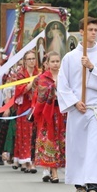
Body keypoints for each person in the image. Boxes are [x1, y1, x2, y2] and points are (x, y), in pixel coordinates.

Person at [57, 16, 97, 192]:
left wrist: (91, 68)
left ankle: (92, 188)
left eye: (95, 30)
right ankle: (79, 187)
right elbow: (62, 84)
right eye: (89, 29)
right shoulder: (70, 58)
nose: (93, 33)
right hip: (78, 109)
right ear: (81, 32)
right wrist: (74, 102)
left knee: (93, 148)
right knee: (77, 148)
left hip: (95, 109)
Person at [34, 51, 66, 183]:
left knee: (61, 140)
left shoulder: (64, 76)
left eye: (57, 61)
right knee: (49, 140)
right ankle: (52, 170)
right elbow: (41, 95)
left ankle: (55, 168)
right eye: (52, 61)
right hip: (48, 113)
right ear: (47, 63)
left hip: (62, 112)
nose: (55, 64)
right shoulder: (44, 78)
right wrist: (53, 87)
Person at [13, 51, 40, 173]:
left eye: (33, 58)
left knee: (34, 134)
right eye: (29, 59)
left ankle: (33, 161)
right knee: (24, 134)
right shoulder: (20, 74)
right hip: (24, 108)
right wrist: (31, 84)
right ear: (25, 61)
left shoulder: (38, 73)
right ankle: (26, 160)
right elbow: (19, 91)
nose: (31, 61)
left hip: (36, 108)